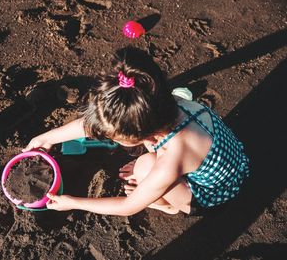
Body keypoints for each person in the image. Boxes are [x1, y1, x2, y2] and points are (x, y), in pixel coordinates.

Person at [22, 46, 249, 216]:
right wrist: (46, 137)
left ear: (138, 134)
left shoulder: (173, 158)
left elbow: (127, 206)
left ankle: (168, 205)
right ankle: (158, 182)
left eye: (115, 137)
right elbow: (95, 124)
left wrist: (72, 202)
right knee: (151, 162)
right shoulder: (160, 104)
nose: (110, 137)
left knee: (144, 166)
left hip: (210, 195)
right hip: (229, 159)